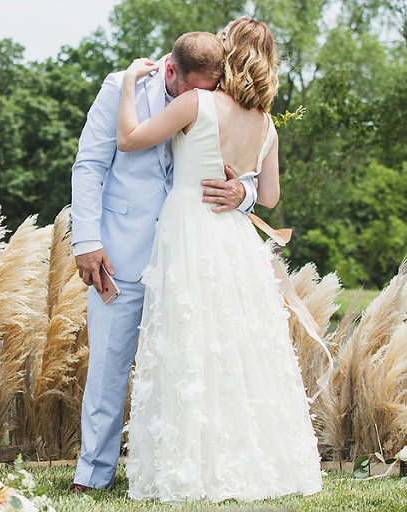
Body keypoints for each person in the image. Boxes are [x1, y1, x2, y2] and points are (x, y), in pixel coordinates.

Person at [116, 18, 323, 502]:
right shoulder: (267, 123)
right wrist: (243, 190)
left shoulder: (197, 102)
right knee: (236, 345)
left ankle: (193, 466)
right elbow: (269, 196)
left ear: (228, 53)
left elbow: (129, 138)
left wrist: (128, 81)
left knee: (191, 341)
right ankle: (253, 462)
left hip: (190, 226)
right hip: (235, 238)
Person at [70, 32, 258, 492]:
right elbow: (89, 165)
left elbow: (246, 162)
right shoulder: (121, 87)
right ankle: (93, 475)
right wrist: (87, 240)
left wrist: (245, 194)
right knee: (109, 366)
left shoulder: (213, 97)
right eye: (193, 89)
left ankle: (176, 471)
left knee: (187, 367)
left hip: (190, 258)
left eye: (208, 90)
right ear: (170, 71)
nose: (201, 99)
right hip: (121, 251)